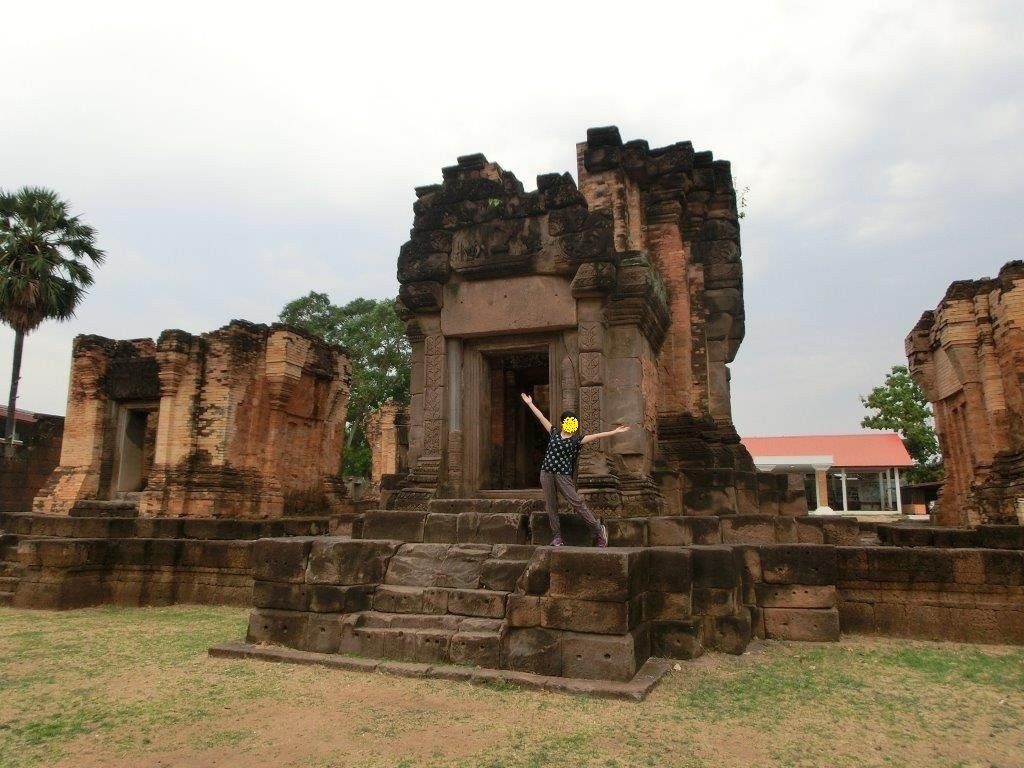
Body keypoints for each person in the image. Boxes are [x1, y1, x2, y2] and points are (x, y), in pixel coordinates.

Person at [520, 392, 630, 547]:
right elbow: (541, 417)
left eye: (573, 423)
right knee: (551, 505)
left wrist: (614, 432)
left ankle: (599, 530)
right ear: (563, 422)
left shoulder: (577, 440)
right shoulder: (554, 433)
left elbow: (597, 436)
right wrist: (530, 403)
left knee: (576, 502)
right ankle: (557, 537)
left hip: (562, 475)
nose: (571, 425)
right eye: (568, 422)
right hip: (546, 473)